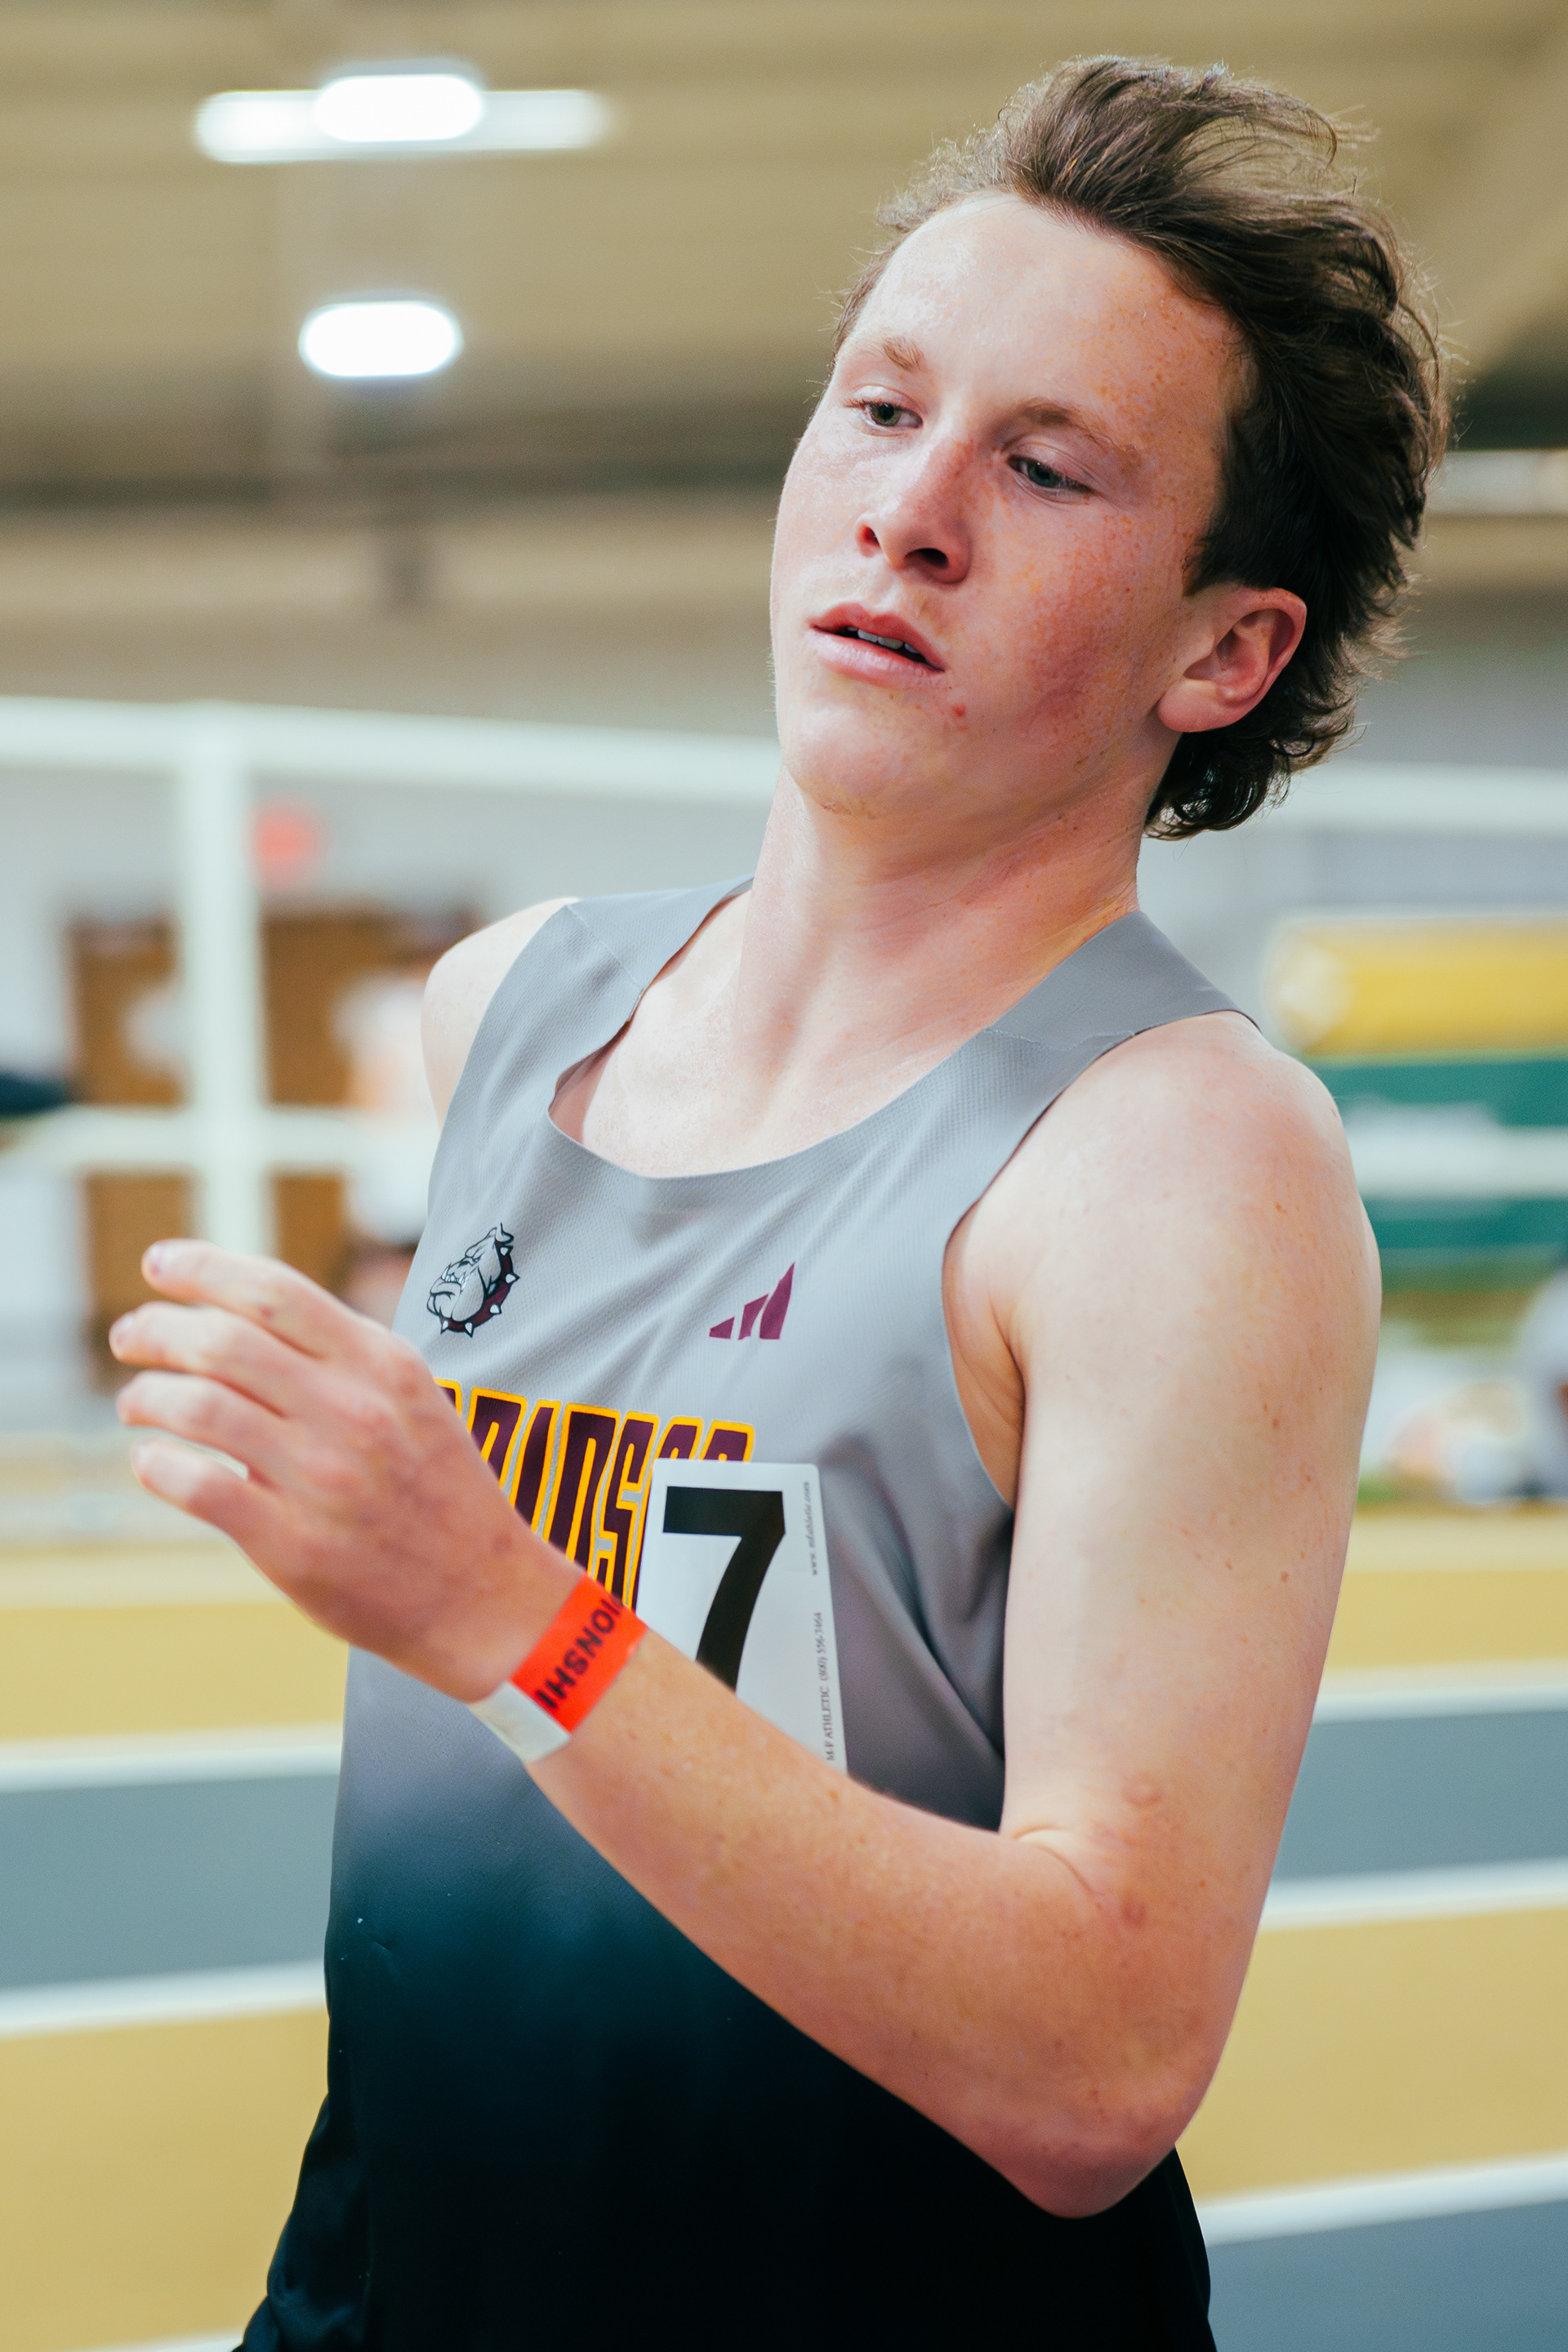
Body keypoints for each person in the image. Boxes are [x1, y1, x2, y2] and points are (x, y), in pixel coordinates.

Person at [110, 58, 1440, 2349]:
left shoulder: (1180, 1159)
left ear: (1224, 650)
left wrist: (498, 1605)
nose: (908, 513)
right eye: (881, 410)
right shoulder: (508, 1005)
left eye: (1043, 468)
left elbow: (1097, 2065)